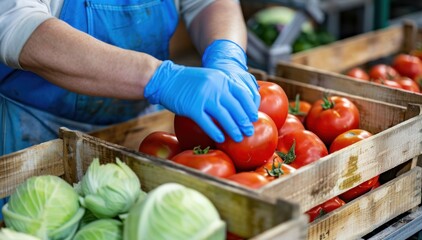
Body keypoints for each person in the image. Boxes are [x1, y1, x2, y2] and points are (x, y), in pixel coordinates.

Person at [0, 0, 261, 220]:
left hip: (138, 129)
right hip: (34, 131)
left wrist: (227, 53)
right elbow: (17, 24)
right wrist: (159, 78)